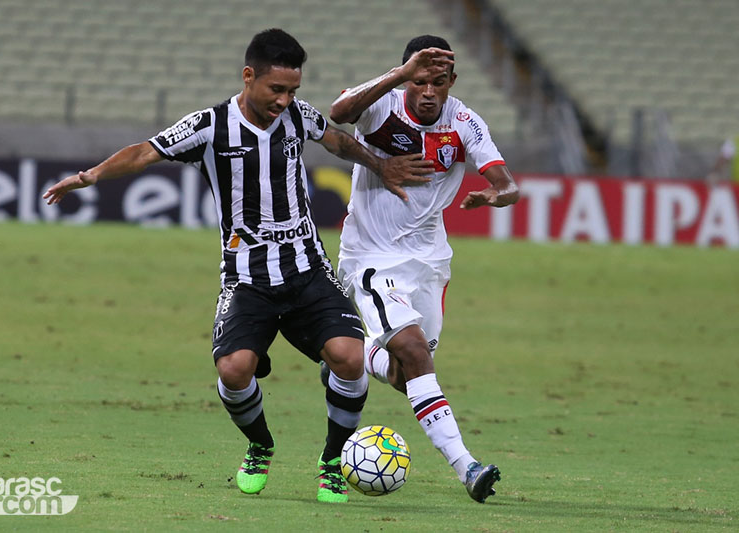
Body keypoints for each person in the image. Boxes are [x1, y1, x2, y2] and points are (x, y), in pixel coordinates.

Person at [43, 28, 432, 503]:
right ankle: (260, 445)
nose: (285, 101)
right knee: (233, 370)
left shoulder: (297, 116)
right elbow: (145, 152)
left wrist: (379, 165)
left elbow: (335, 140)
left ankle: (332, 461)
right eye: (276, 89)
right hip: (247, 278)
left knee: (350, 358)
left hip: (307, 269)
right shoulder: (209, 126)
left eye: (293, 90)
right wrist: (90, 176)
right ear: (249, 76)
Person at [327, 35, 519, 503]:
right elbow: (338, 113)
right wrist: (399, 74)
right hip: (371, 258)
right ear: (407, 76)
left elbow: (507, 184)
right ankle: (467, 466)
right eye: (420, 81)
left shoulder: (464, 122)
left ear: (452, 81)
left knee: (405, 373)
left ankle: (353, 356)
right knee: (414, 353)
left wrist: (495, 195)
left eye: (440, 82)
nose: (429, 91)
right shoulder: (383, 105)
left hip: (429, 262)